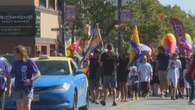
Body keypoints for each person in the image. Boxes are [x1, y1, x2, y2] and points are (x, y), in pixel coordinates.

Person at [8, 45, 41, 110]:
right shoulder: (15, 63)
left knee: (26, 106)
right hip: (18, 87)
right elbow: (11, 75)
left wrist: (30, 80)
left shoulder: (29, 62)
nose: (14, 55)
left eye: (16, 54)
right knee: (19, 107)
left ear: (21, 53)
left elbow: (38, 73)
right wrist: (6, 75)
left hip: (27, 88)